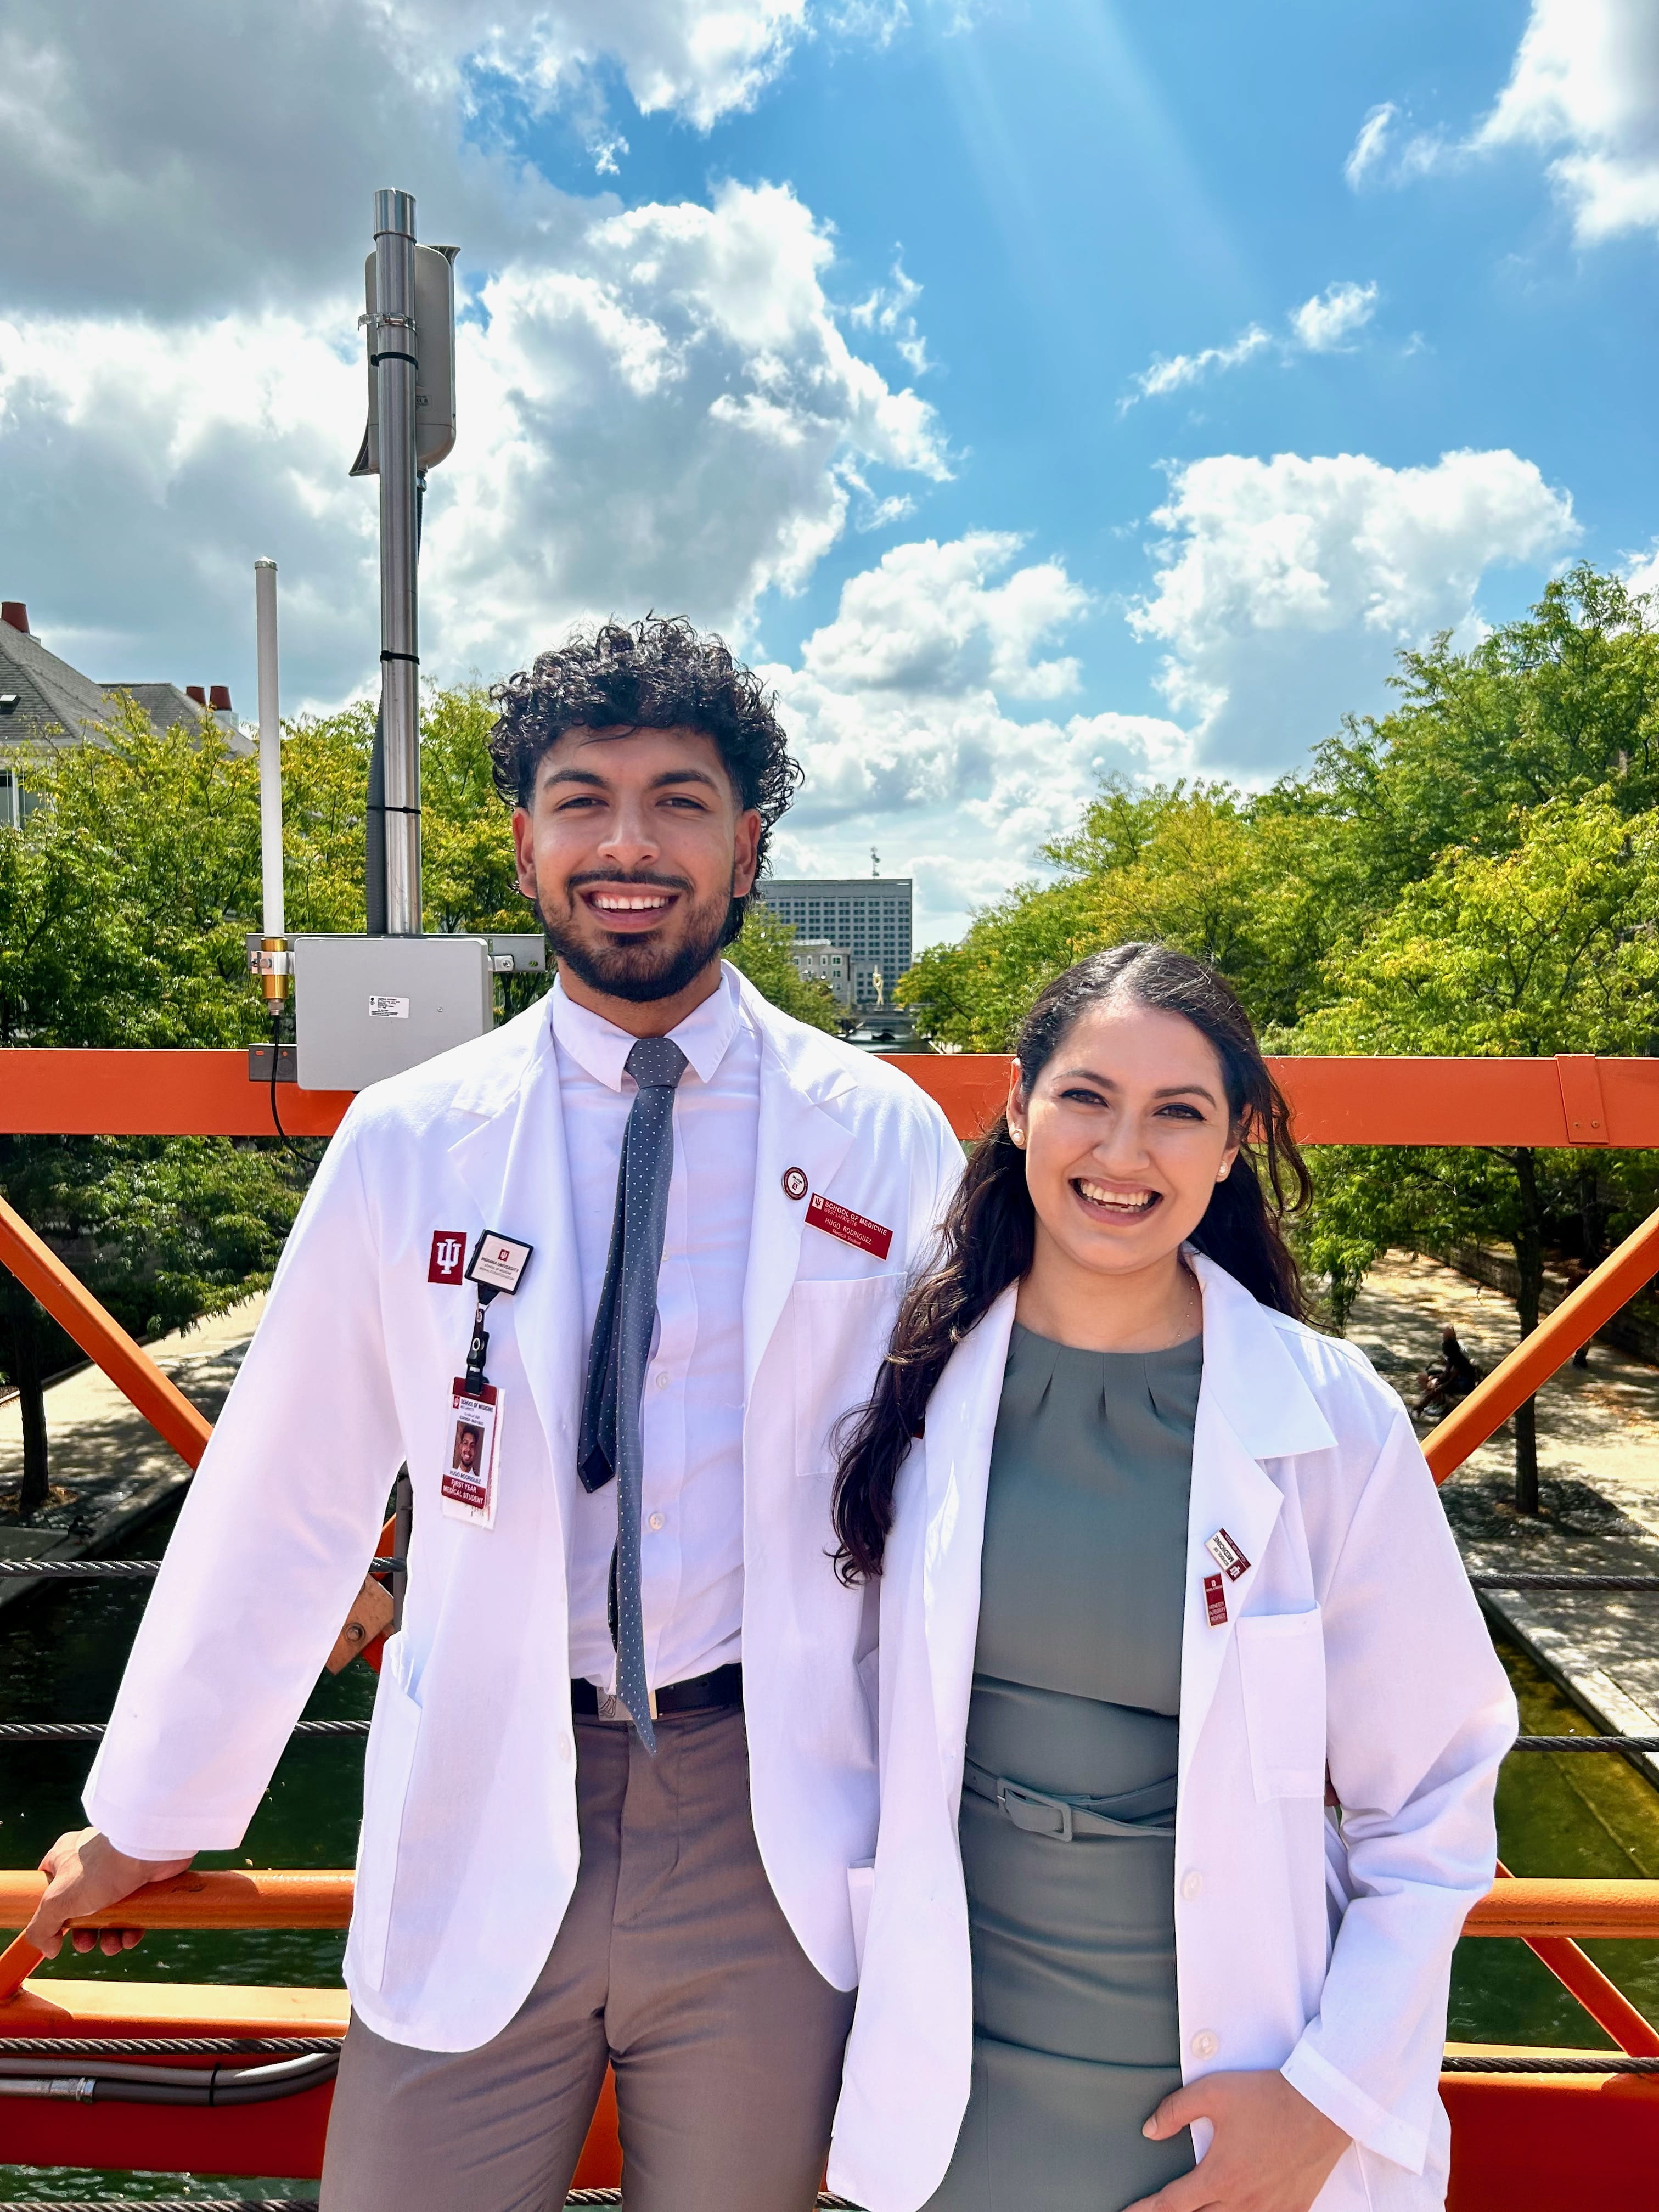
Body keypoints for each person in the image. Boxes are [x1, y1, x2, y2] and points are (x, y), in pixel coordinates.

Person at [26, 617, 963, 2212]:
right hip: (487, 1773)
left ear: (747, 847)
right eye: (581, 798)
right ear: (524, 844)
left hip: (776, 1812)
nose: (628, 844)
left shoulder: (883, 1137)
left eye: (680, 801)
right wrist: (150, 1813)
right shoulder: (411, 1140)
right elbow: (291, 1490)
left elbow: (958, 1499)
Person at [825, 944, 1516, 2212]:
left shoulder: (1327, 1418)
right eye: (1087, 1097)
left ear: (1236, 1139)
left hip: (1237, 2104)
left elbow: (1431, 1799)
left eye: (1179, 1113)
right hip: (950, 2084)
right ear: (1021, 1105)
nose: (1123, 1153)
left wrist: (1327, 2105)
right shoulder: (902, 1377)